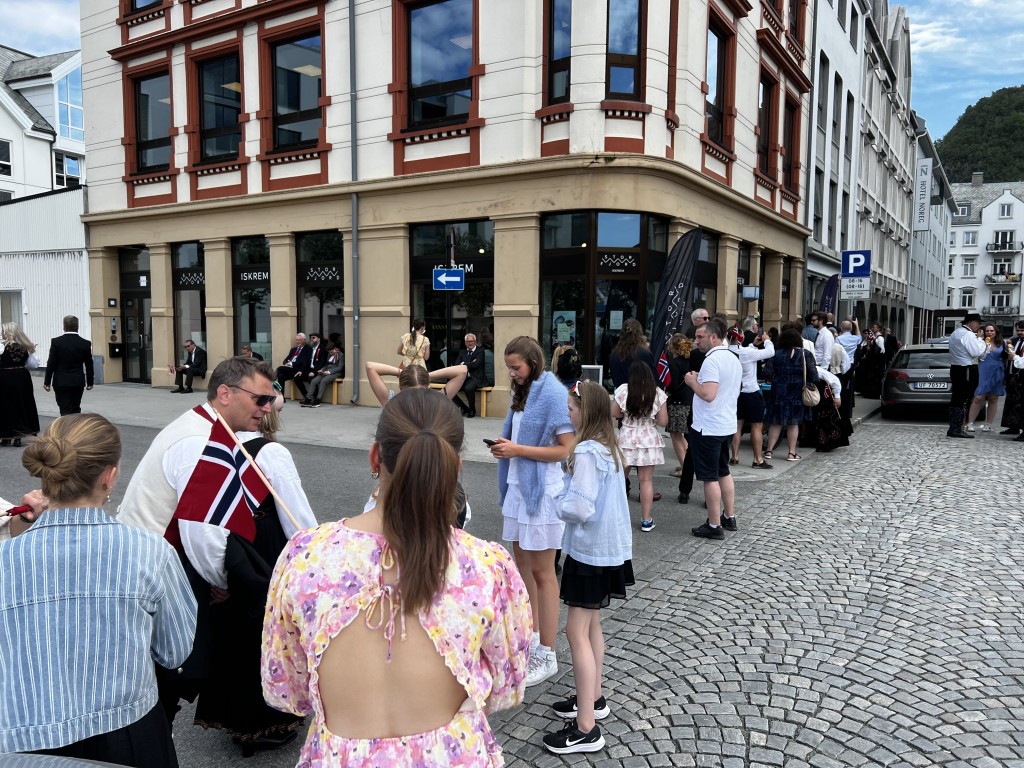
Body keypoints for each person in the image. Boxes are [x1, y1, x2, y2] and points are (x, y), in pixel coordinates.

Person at [262, 388, 532, 767]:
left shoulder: (305, 556)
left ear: (375, 457)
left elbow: (287, 689)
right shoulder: (488, 566)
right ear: (455, 466)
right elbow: (507, 686)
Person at [117, 357, 310, 755]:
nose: (267, 407)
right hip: (157, 565)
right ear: (226, 394)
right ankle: (152, 749)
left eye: (270, 399)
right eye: (260, 398)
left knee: (168, 668)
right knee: (170, 671)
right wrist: (222, 581)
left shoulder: (205, 428)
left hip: (154, 557)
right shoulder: (201, 441)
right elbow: (202, 530)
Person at [0, 414, 196, 766]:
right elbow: (174, 652)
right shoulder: (150, 552)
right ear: (109, 476)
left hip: (22, 737)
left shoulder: (5, 558)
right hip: (126, 731)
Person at [193, 392, 313, 754]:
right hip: (263, 546)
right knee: (268, 632)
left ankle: (237, 719)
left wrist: (212, 571)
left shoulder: (209, 445)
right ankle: (267, 719)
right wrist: (312, 556)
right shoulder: (271, 453)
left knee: (234, 630)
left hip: (225, 544)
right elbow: (297, 516)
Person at [542, 380, 633, 755]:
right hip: (609, 551)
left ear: (586, 411)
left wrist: (556, 497)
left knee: (575, 630)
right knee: (592, 625)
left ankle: (586, 728)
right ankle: (591, 699)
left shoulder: (587, 453)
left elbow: (579, 507)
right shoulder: (609, 449)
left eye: (572, 407)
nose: (568, 412)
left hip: (589, 552)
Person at [489, 335, 574, 688]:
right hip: (519, 491)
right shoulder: (523, 392)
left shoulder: (552, 392)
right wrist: (505, 449)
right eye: (508, 367)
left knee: (543, 573)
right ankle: (532, 638)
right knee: (523, 569)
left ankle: (548, 653)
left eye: (515, 367)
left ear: (533, 363)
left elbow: (565, 449)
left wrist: (517, 449)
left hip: (541, 495)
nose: (511, 373)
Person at [684, 321, 742, 540]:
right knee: (723, 471)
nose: (696, 341)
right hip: (726, 423)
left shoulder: (712, 360)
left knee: (710, 477)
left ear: (714, 337)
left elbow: (708, 394)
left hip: (709, 426)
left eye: (700, 337)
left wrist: (692, 382)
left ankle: (715, 524)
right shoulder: (732, 358)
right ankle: (729, 516)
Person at [612, 360, 668, 532]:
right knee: (645, 480)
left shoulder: (623, 390)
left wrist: (626, 414)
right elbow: (663, 421)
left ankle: (614, 518)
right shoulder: (657, 393)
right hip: (648, 437)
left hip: (627, 435)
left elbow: (614, 413)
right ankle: (646, 520)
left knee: (619, 479)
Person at [763, 328, 818, 463]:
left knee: (776, 422)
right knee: (793, 423)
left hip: (779, 390)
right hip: (797, 391)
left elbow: (767, 372)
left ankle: (769, 450)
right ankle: (791, 453)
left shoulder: (777, 354)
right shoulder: (806, 354)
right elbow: (814, 375)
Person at [728, 326, 775, 469]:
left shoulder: (727, 351)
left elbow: (748, 352)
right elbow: (770, 352)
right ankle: (758, 459)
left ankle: (734, 457)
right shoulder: (746, 353)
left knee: (737, 425)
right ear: (740, 337)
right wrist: (767, 341)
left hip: (736, 393)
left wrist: (754, 344)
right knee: (756, 426)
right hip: (751, 392)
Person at [42, 315, 94, 415]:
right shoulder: (85, 343)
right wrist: (90, 382)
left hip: (61, 381)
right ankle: (75, 428)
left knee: (64, 408)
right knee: (76, 407)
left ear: (64, 326)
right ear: (77, 326)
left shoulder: (56, 342)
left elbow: (51, 363)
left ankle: (66, 429)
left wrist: (47, 382)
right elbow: (89, 364)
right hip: (77, 381)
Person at [0, 322, 40, 448]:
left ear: (8, 332)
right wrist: (31, 352)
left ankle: (6, 436)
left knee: (6, 406)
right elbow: (33, 365)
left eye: (3, 331)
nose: (1, 333)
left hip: (5, 378)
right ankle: (18, 436)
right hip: (22, 378)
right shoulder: (25, 347)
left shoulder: (1, 347)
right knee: (21, 404)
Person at [947, 312, 986, 439]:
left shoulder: (955, 333)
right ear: (972, 322)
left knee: (957, 397)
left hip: (956, 367)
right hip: (966, 368)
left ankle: (954, 427)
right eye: (978, 323)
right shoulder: (969, 334)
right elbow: (976, 352)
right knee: (963, 398)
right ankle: (957, 428)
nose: (979, 326)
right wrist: (980, 340)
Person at [365, 360, 468, 405]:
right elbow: (462, 370)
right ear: (428, 386)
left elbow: (371, 367)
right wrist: (426, 375)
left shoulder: (392, 404)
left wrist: (404, 373)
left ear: (401, 387)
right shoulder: (437, 402)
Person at [965, 324, 1008, 432]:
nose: (989, 333)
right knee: (978, 398)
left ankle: (988, 424)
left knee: (993, 398)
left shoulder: (1002, 343)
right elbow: (975, 355)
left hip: (997, 372)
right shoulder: (981, 342)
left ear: (996, 332)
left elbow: (1006, 357)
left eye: (992, 331)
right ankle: (970, 423)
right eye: (987, 331)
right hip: (983, 371)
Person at [799, 365, 850, 452]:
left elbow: (834, 380)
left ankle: (826, 443)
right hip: (810, 398)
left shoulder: (816, 370)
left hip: (823, 398)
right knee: (810, 420)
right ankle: (810, 441)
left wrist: (837, 397)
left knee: (824, 420)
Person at [665, 333, 695, 478]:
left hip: (677, 403)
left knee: (675, 436)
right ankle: (688, 464)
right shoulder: (692, 361)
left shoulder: (674, 363)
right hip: (690, 401)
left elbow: (673, 386)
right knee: (684, 436)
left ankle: (685, 467)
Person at [608, 318, 656, 388]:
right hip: (641, 395)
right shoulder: (645, 354)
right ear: (640, 334)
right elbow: (653, 379)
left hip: (621, 395)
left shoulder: (614, 355)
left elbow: (615, 378)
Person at [1000, 321, 1024, 435]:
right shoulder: (1013, 341)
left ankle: (1021, 427)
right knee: (1010, 401)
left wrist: (1014, 356)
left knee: (1020, 403)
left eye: (1022, 330)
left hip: (1021, 375)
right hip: (1011, 374)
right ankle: (1012, 426)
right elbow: (1004, 356)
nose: (1019, 332)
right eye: (1018, 330)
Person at [454, 333, 486, 417]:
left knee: (468, 388)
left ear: (475, 342)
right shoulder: (462, 352)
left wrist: (464, 363)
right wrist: (471, 363)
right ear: (465, 342)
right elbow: (456, 365)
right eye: (468, 341)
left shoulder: (480, 351)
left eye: (472, 341)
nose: (470, 343)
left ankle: (472, 410)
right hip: (463, 377)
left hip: (475, 378)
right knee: (450, 389)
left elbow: (477, 365)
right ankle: (465, 408)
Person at [302, 340, 344, 407]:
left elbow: (340, 367)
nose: (330, 353)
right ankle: (308, 398)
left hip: (336, 372)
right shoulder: (329, 354)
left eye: (331, 352)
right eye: (329, 352)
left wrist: (329, 372)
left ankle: (318, 400)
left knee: (323, 381)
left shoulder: (340, 355)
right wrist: (321, 370)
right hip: (326, 371)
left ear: (335, 349)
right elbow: (327, 365)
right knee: (314, 381)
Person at [296, 332, 327, 404]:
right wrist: (301, 370)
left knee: (312, 379)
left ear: (318, 339)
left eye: (313, 338)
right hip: (309, 369)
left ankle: (313, 398)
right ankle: (306, 395)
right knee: (297, 377)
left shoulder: (322, 348)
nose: (311, 339)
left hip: (318, 370)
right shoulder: (310, 348)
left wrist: (314, 372)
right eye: (311, 338)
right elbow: (306, 361)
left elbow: (323, 363)